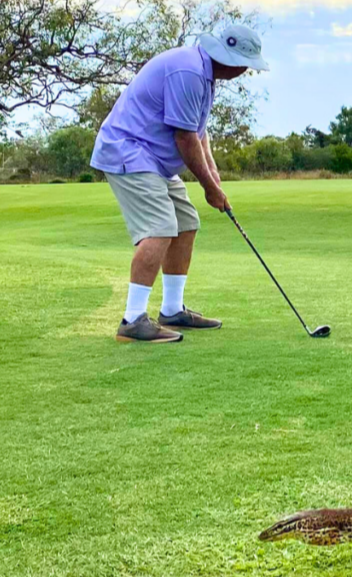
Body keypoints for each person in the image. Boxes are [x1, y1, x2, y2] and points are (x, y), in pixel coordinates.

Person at [90, 25, 269, 343]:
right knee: (159, 227)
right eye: (244, 64)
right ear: (230, 59)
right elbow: (184, 138)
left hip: (154, 159)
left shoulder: (205, 74)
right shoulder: (188, 71)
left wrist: (212, 171)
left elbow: (198, 131)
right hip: (129, 150)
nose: (245, 71)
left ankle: (172, 310)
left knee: (186, 222)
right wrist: (209, 188)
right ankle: (132, 321)